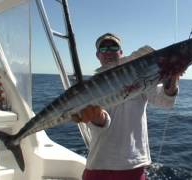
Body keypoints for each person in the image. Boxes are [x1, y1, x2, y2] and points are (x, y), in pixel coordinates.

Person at [72, 33, 180, 180]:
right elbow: (99, 124)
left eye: (113, 47)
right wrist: (97, 118)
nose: (108, 51)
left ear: (121, 52)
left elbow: (166, 101)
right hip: (98, 164)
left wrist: (172, 80)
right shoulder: (91, 87)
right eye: (103, 48)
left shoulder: (140, 75)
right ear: (98, 55)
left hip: (133, 166)